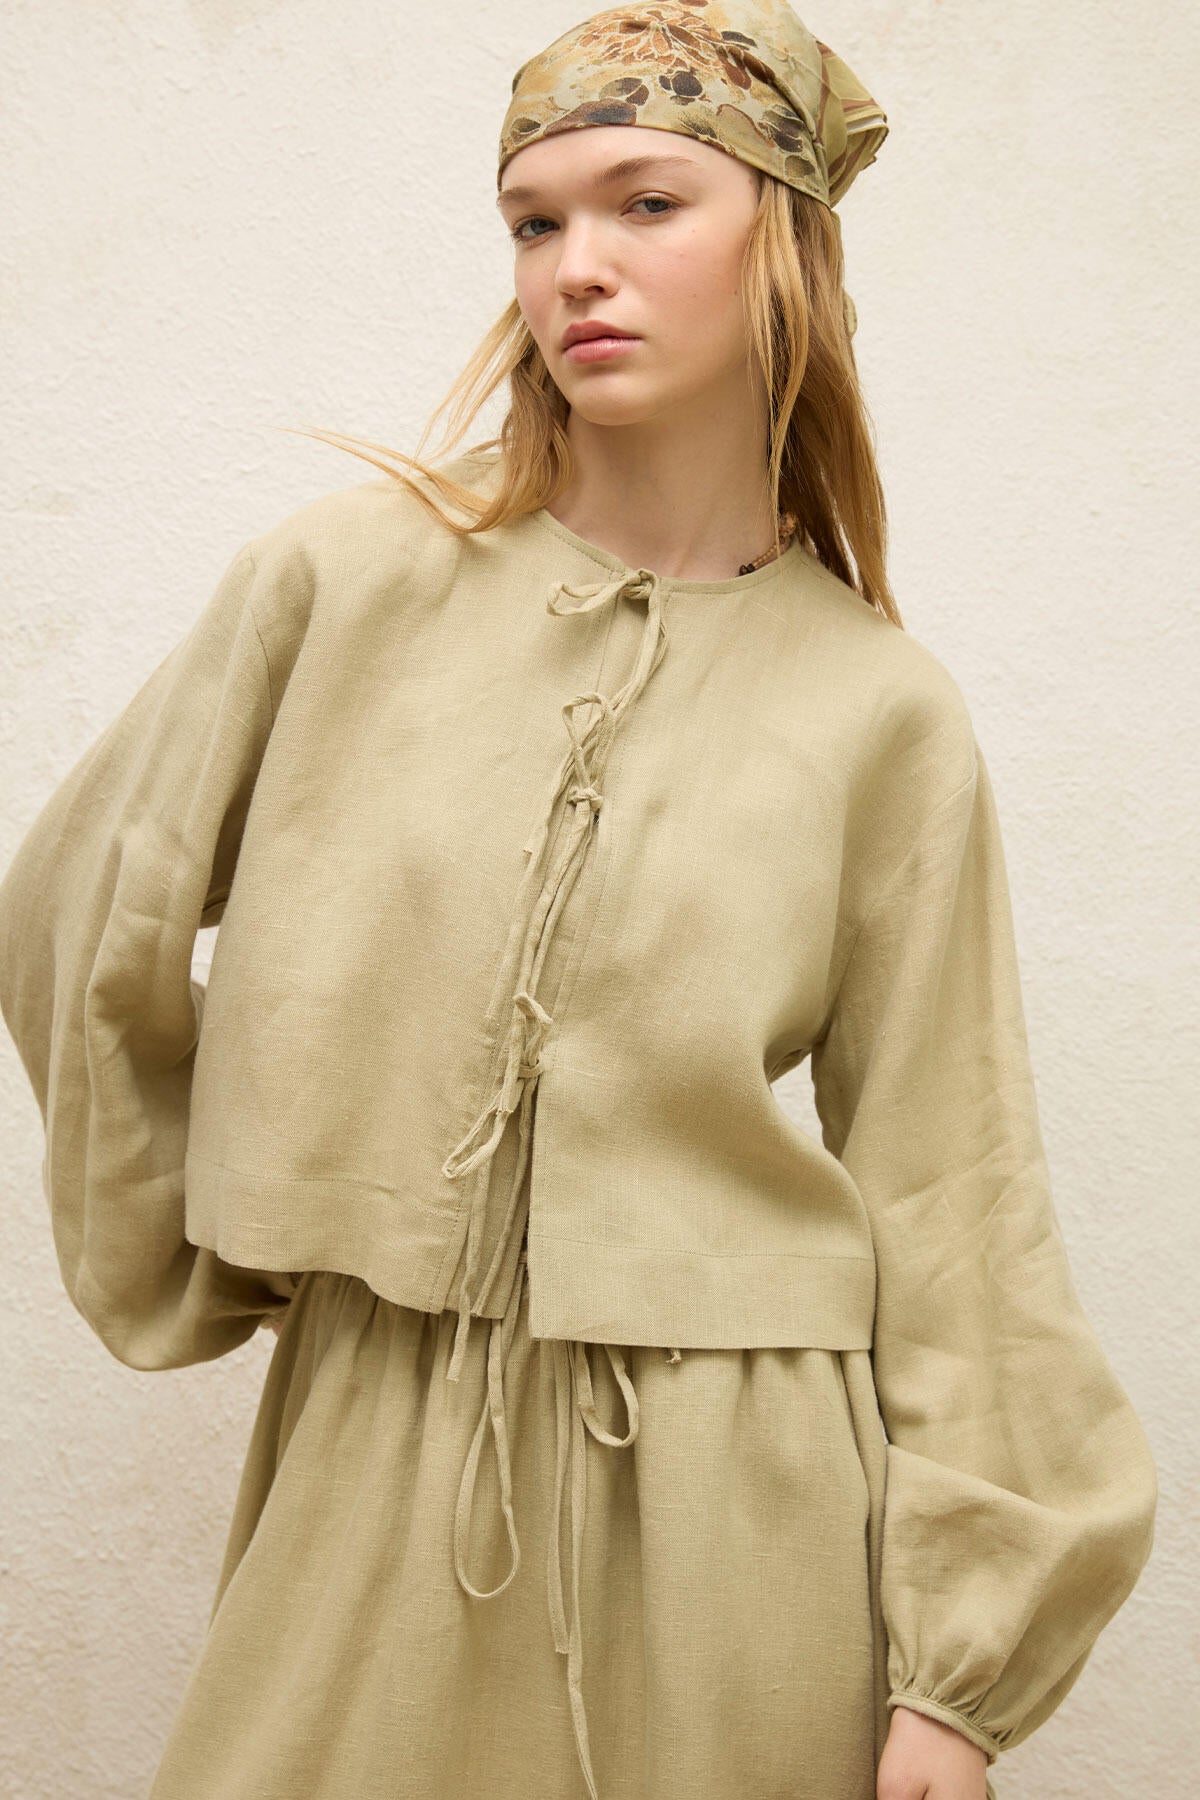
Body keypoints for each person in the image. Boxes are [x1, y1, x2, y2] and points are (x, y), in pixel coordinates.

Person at [0, 5, 1158, 1799]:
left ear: (786, 240)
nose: (576, 267)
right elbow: (83, 916)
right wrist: (257, 1211)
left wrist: (957, 1673)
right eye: (534, 222)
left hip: (754, 1487)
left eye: (647, 203)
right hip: (390, 1434)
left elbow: (957, 1182)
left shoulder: (880, 707)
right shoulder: (345, 585)